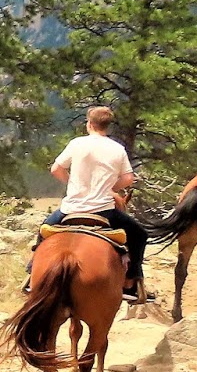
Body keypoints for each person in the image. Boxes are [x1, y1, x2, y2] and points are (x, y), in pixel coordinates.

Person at [28, 106, 150, 302]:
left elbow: (56, 169)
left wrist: (72, 182)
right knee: (139, 235)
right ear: (107, 126)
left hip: (70, 209)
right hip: (104, 212)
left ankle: (31, 274)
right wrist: (110, 188)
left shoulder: (77, 143)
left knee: (44, 230)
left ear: (89, 124)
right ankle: (130, 282)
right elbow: (128, 178)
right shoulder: (117, 149)